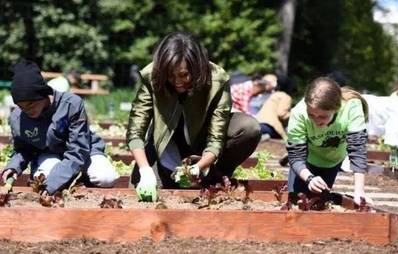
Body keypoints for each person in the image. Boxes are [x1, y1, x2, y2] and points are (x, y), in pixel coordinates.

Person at [127, 32, 261, 201]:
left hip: (202, 145)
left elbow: (216, 137)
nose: (177, 81)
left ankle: (214, 176)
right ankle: (171, 176)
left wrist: (200, 166)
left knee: (249, 128)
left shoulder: (217, 80)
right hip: (165, 147)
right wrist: (145, 170)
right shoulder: (152, 76)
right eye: (171, 75)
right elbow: (135, 131)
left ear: (197, 69)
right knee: (137, 193)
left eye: (184, 75)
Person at [1, 60, 118, 197]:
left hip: (84, 151)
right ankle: (68, 179)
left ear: (42, 94)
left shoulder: (71, 104)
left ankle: (75, 178)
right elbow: (23, 149)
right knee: (45, 178)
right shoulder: (18, 117)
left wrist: (55, 182)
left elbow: (78, 151)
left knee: (106, 177)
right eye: (21, 106)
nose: (26, 110)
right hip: (48, 154)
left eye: (31, 104)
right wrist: (14, 167)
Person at [286, 77, 371, 205]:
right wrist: (309, 178)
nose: (317, 120)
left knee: (319, 202)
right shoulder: (298, 113)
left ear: (336, 108)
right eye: (311, 115)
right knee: (297, 201)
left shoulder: (351, 107)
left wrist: (359, 191)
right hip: (306, 162)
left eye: (323, 116)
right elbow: (296, 156)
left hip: (332, 161)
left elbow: (358, 150)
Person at [256, 74, 294, 140]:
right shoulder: (286, 97)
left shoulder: (274, 95)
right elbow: (281, 114)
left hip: (258, 124)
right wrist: (294, 114)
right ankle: (265, 136)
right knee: (285, 135)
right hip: (269, 127)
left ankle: (263, 136)